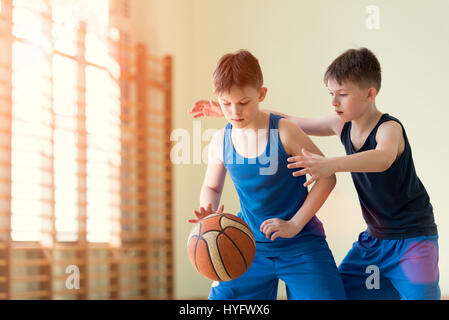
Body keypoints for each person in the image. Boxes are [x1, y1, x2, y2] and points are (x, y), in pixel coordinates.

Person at [189, 48, 440, 300]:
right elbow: (287, 119)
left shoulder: (389, 128)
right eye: (331, 94)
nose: (333, 102)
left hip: (410, 237)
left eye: (341, 95)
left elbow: (383, 158)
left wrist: (331, 165)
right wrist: (229, 110)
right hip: (371, 239)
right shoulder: (338, 123)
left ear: (369, 94)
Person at [188, 49, 346, 300]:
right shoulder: (221, 141)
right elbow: (212, 187)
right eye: (225, 104)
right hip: (248, 245)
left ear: (261, 94)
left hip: (301, 242)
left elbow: (327, 177)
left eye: (243, 103)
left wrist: (294, 224)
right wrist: (208, 209)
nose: (234, 112)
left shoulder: (285, 132)